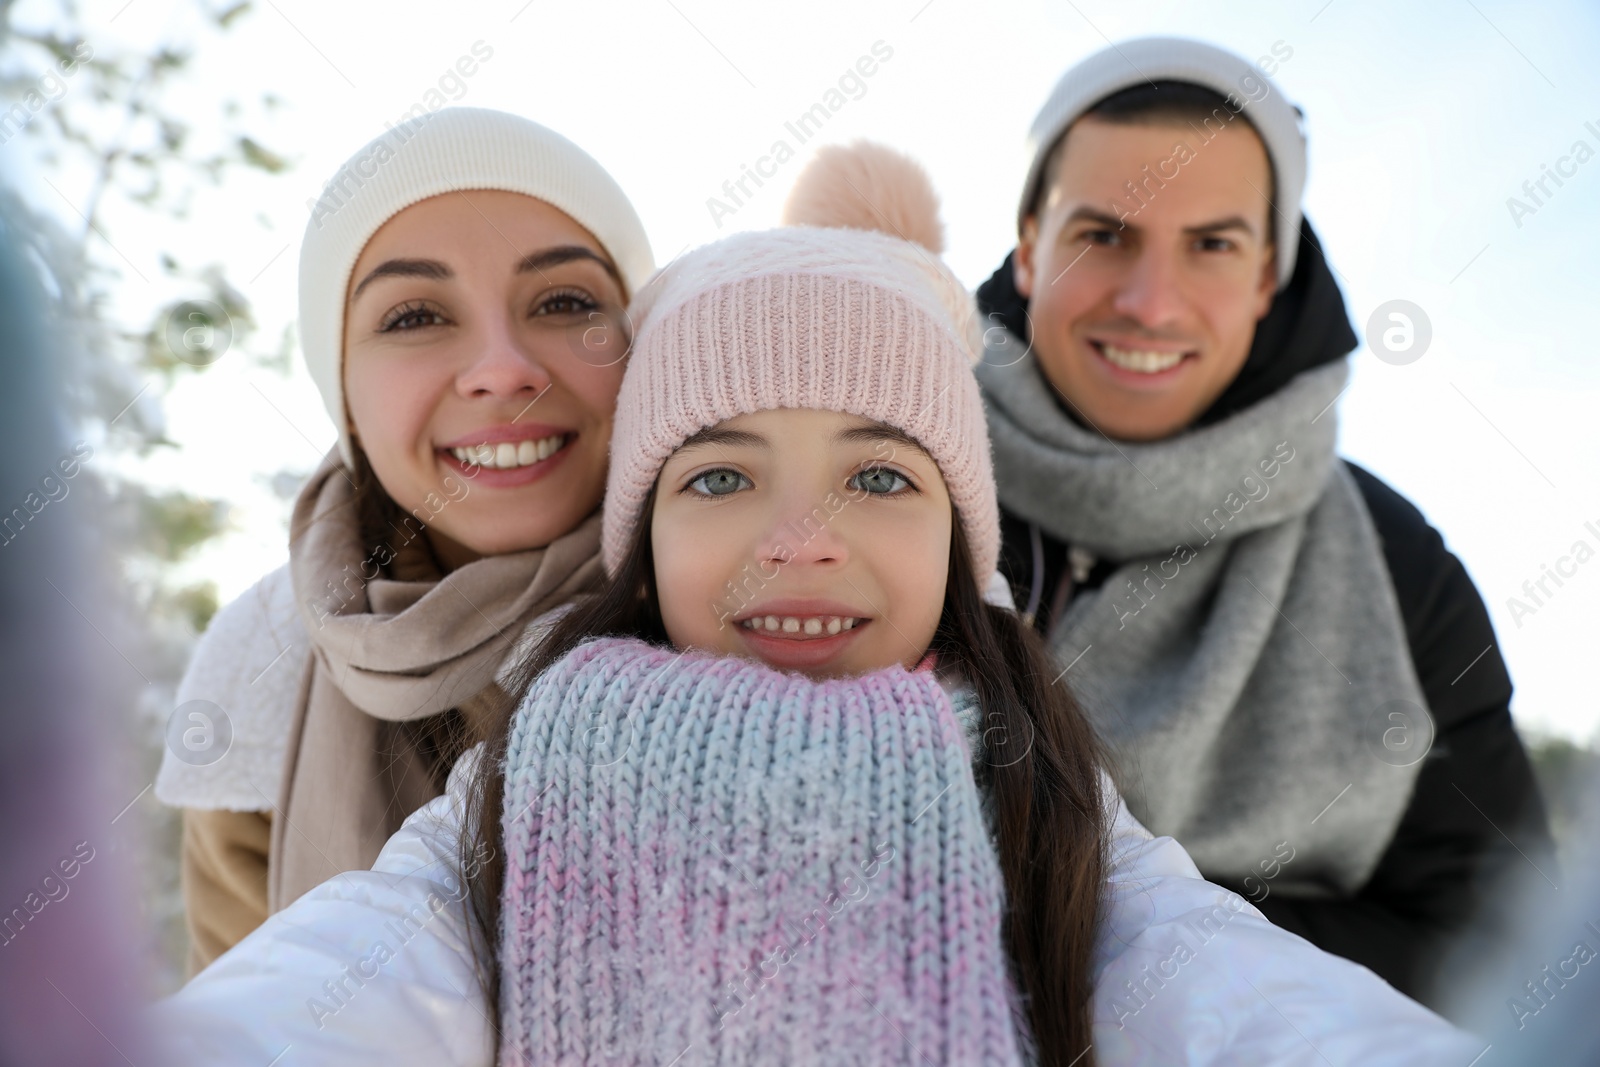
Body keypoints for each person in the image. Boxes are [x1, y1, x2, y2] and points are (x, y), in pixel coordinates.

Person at [154, 143, 1481, 1067]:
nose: (798, 541)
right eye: (722, 471)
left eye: (881, 474)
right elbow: (360, 970)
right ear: (642, 529)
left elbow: (1220, 986)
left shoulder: (1030, 776)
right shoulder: (543, 757)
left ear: (961, 539)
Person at [973, 36, 1552, 1007]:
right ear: (1029, 249)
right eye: (1101, 234)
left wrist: (1105, 937)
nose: (1148, 302)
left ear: (1267, 274)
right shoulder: (886, 483)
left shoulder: (1397, 566)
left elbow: (1498, 939)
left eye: (1211, 243)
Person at [152, 106, 655, 973]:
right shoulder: (257, 679)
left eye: (565, 301)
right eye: (416, 314)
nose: (503, 367)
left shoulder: (782, 592)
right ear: (344, 392)